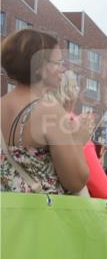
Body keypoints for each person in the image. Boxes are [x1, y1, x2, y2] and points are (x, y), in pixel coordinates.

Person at [0, 29, 89, 194]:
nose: (63, 69)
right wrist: (78, 140)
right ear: (38, 67)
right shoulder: (48, 110)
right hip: (39, 210)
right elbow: (76, 182)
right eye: (58, 62)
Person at [45, 71, 107, 198]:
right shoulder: (74, 126)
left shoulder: (39, 120)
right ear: (72, 92)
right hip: (65, 206)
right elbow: (104, 191)